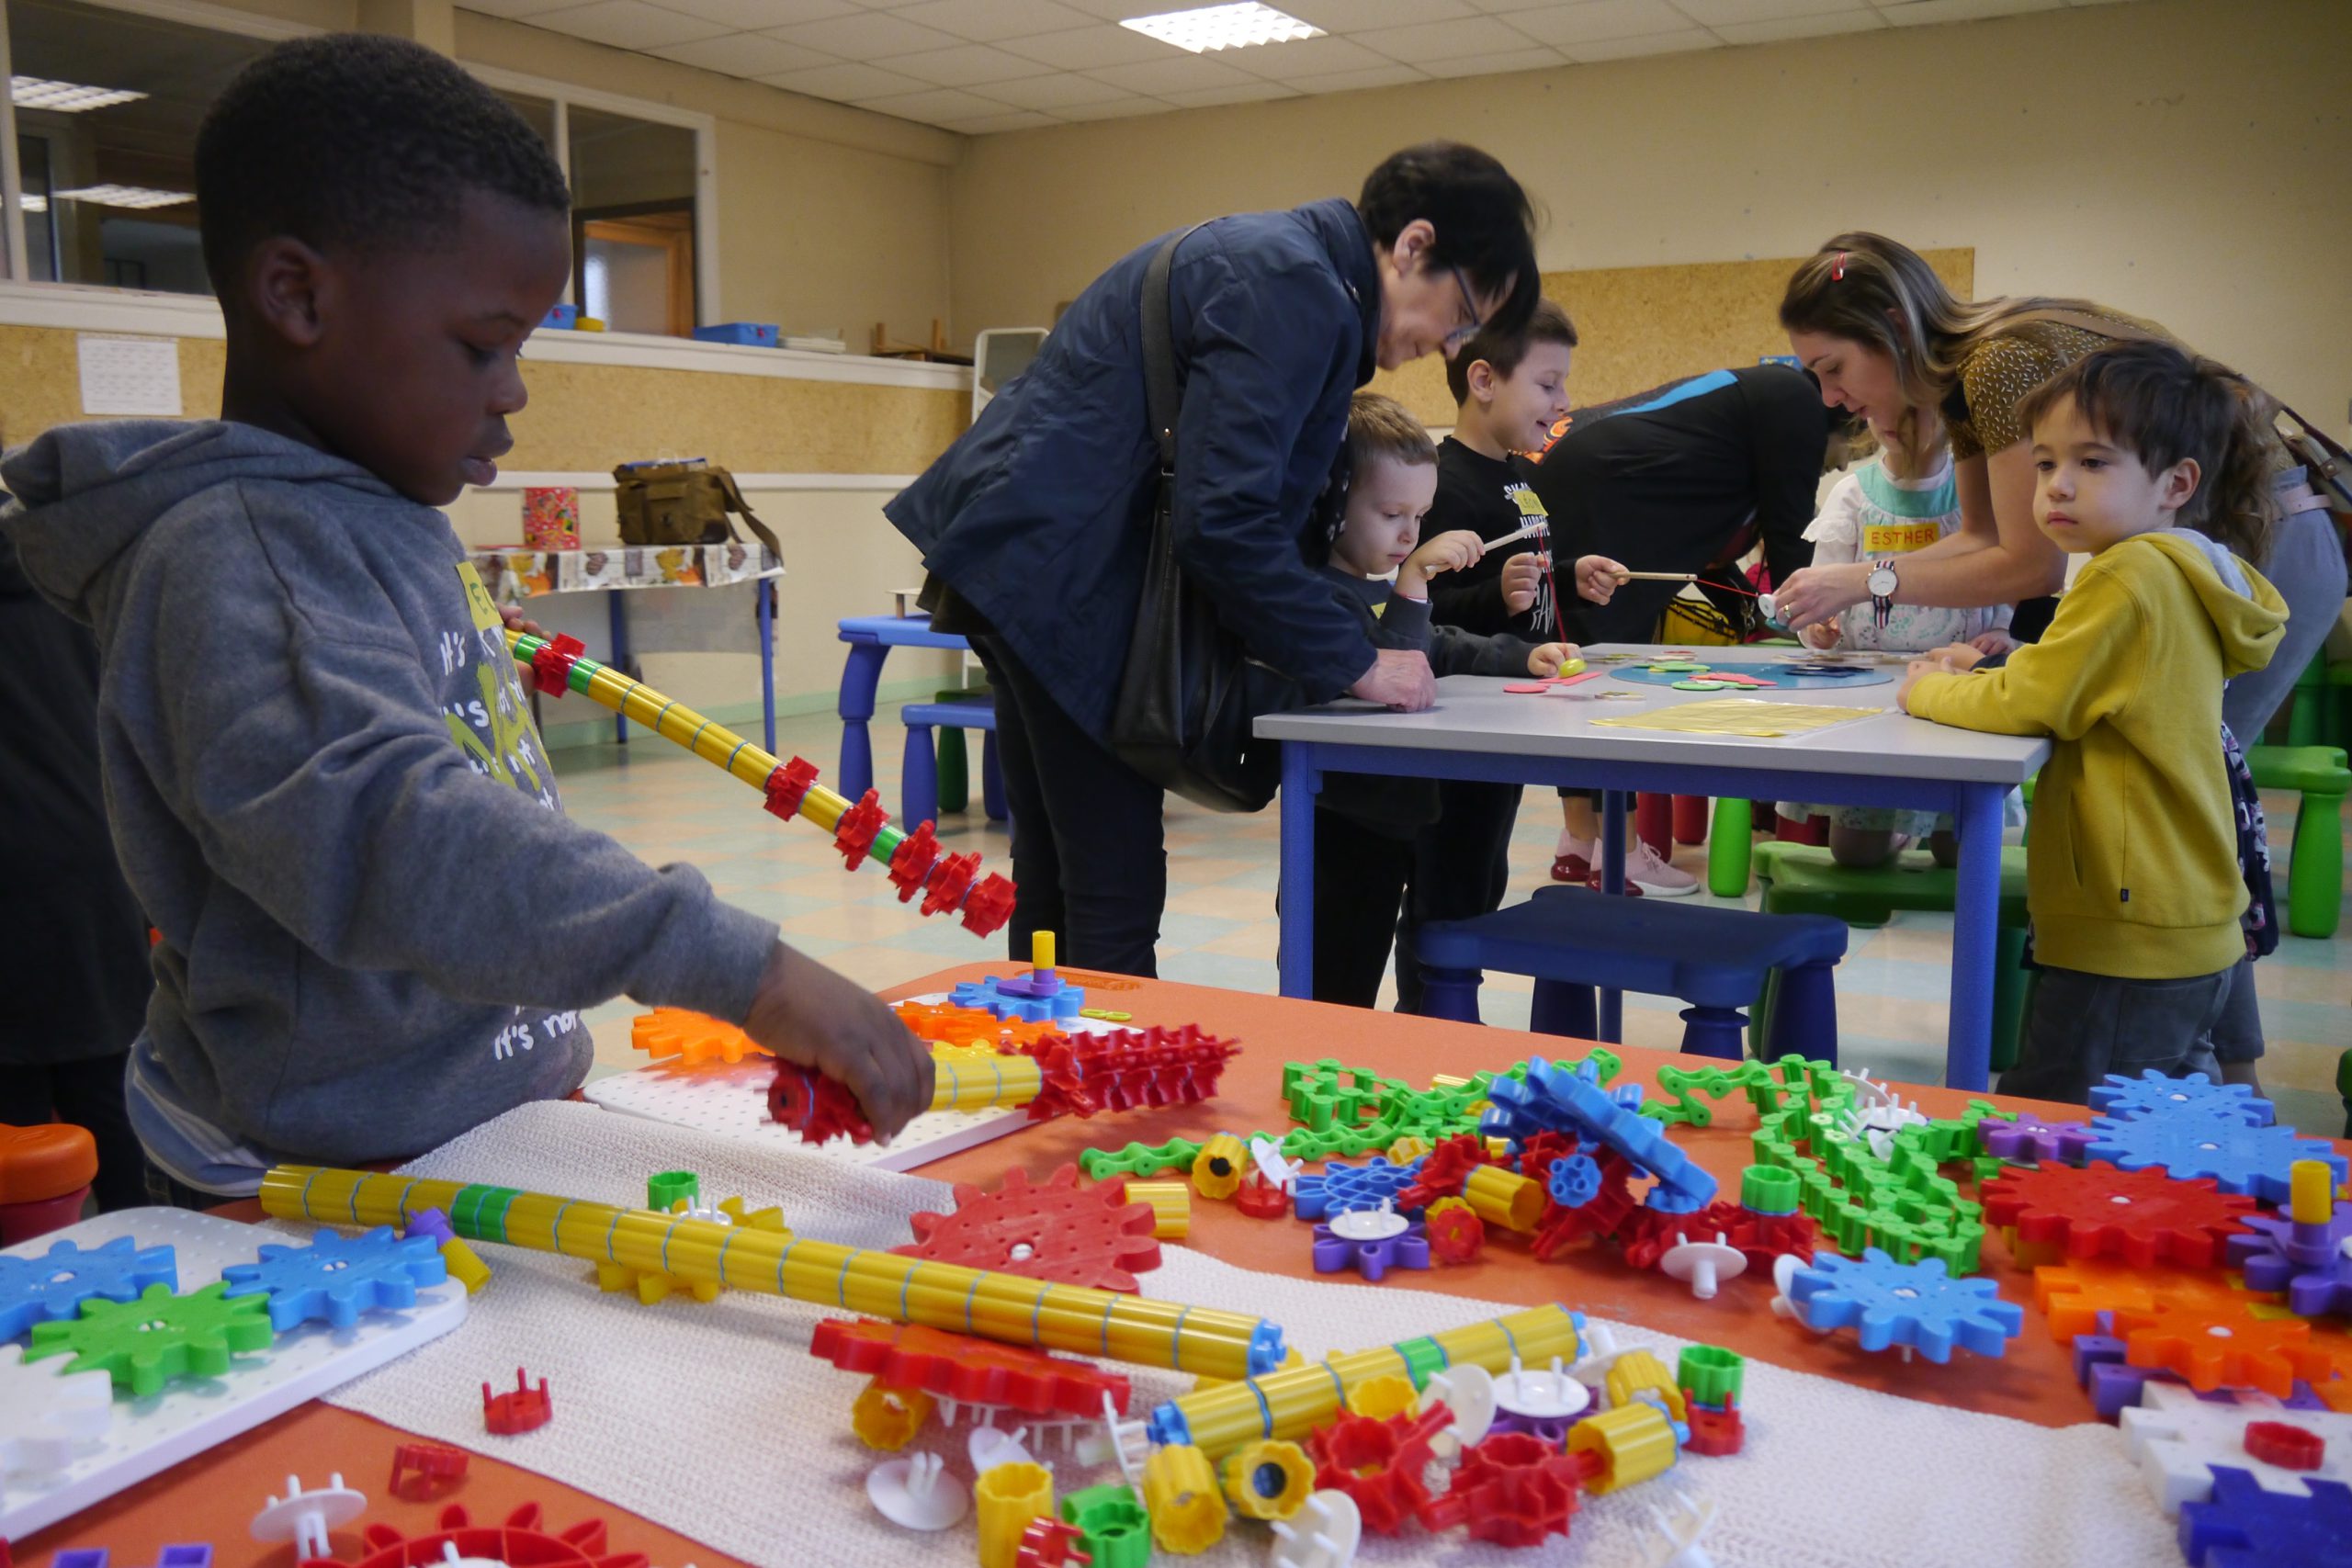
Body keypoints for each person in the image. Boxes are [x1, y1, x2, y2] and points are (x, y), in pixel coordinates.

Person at [0, 35, 931, 1203]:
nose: (513, 388)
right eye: (483, 345)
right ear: (296, 295)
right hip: (315, 1180)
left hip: (474, 1117)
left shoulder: (374, 511)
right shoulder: (239, 555)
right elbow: (391, 828)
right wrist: (740, 967)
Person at [888, 142, 1542, 977]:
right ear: (1413, 247)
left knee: (1058, 872)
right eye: (1463, 309)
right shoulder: (1298, 288)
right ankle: (1104, 1087)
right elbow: (1226, 520)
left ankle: (1050, 1074)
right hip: (1062, 585)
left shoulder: (1283, 261)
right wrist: (1355, 662)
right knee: (1111, 886)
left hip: (1023, 565)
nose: (1450, 342)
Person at [1898, 342, 2286, 1104]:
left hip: (2127, 925)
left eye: (2094, 463)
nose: (2058, 486)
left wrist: (1928, 691)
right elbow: (2089, 681)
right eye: (2044, 464)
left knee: (2052, 1124)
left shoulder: (2127, 573)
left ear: (2176, 483)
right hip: (2186, 913)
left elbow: (2035, 702)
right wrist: (1989, 668)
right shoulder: (2186, 564)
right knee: (2166, 1125)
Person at [1777, 231, 2344, 742]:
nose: (1829, 397)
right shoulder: (1961, 380)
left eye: (1834, 368)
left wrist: (1863, 581)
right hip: (2252, 536)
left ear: (1895, 327)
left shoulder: (1996, 363)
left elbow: (2030, 568)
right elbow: (1983, 536)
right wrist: (1849, 582)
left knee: (2184, 775)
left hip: (2268, 539)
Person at [1520, 362, 1850, 891]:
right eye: (1845, 456)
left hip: (1571, 468)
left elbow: (1714, 554)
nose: (1835, 467)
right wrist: (1813, 622)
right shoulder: (1799, 403)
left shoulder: (1743, 408)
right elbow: (1791, 542)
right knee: (1604, 686)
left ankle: (1579, 844)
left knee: (1577, 666)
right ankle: (1621, 855)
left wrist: (1755, 608)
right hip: (1606, 484)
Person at [1306, 396, 1580, 1008]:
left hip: (1398, 821)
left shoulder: (1372, 587)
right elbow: (1399, 668)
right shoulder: (1319, 602)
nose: (1411, 533)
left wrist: (1518, 655)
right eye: (1392, 514)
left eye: (1421, 515)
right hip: (1341, 836)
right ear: (1330, 503)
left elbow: (1439, 643)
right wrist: (1413, 582)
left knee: (1430, 939)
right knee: (1333, 992)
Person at [1393, 301, 1623, 1009]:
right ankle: (1428, 1016)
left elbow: (1527, 586)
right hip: (1461, 720)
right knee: (1449, 886)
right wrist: (1497, 594)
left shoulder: (1519, 476)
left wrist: (1570, 576)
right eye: (1548, 384)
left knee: (1481, 877)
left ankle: (1450, 1005)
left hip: (1512, 708)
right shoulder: (1441, 480)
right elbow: (1424, 615)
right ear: (1485, 380)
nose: (1563, 401)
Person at [1778, 412, 2015, 868]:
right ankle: (1902, 834)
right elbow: (1821, 590)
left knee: (1964, 854)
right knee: (1855, 853)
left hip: (1954, 684)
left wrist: (2001, 627)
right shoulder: (1852, 493)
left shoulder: (1975, 497)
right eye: (1878, 405)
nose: (1891, 419)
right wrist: (1817, 629)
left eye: (1911, 409)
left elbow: (2005, 571)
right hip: (1868, 692)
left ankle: (1927, 830)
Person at [0, 530, 151, 1211]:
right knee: (114, 1097)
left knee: (21, 1163)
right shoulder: (75, 565)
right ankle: (154, 1282)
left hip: (28, 876)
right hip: (99, 863)